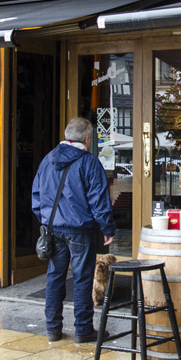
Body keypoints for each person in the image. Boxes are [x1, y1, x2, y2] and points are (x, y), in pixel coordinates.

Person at [32, 117, 116, 343]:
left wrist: (48, 219)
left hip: (53, 229)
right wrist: (107, 228)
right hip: (80, 230)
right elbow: (99, 200)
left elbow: (36, 197)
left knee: (55, 277)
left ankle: (53, 329)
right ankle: (83, 329)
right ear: (87, 138)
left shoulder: (47, 160)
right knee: (82, 278)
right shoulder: (89, 163)